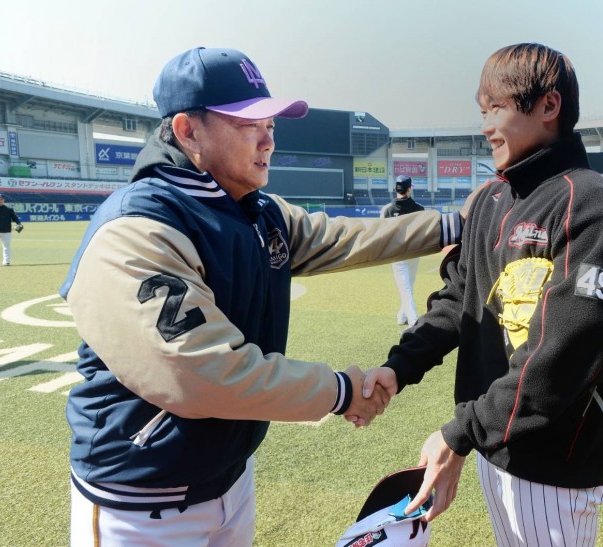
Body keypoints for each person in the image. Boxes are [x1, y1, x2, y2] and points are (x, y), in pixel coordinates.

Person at [60, 46, 462, 546]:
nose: (268, 137)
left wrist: (457, 223)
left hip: (230, 476)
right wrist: (341, 391)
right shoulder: (139, 227)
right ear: (188, 130)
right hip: (141, 497)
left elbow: (346, 237)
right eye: (248, 123)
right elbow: (202, 371)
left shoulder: (256, 209)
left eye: (271, 123)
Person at [364, 43, 603, 546]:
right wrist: (398, 367)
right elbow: (459, 301)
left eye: (496, 108)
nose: (485, 125)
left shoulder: (592, 206)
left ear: (548, 106)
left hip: (557, 458)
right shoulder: (494, 200)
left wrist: (459, 434)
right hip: (494, 444)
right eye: (483, 111)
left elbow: (561, 354)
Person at [381, 175, 426, 327]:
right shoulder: (420, 209)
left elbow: (383, 234)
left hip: (397, 254)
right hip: (414, 253)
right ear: (409, 189)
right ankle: (404, 317)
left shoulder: (386, 210)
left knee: (405, 287)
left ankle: (413, 321)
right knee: (408, 286)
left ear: (395, 189)